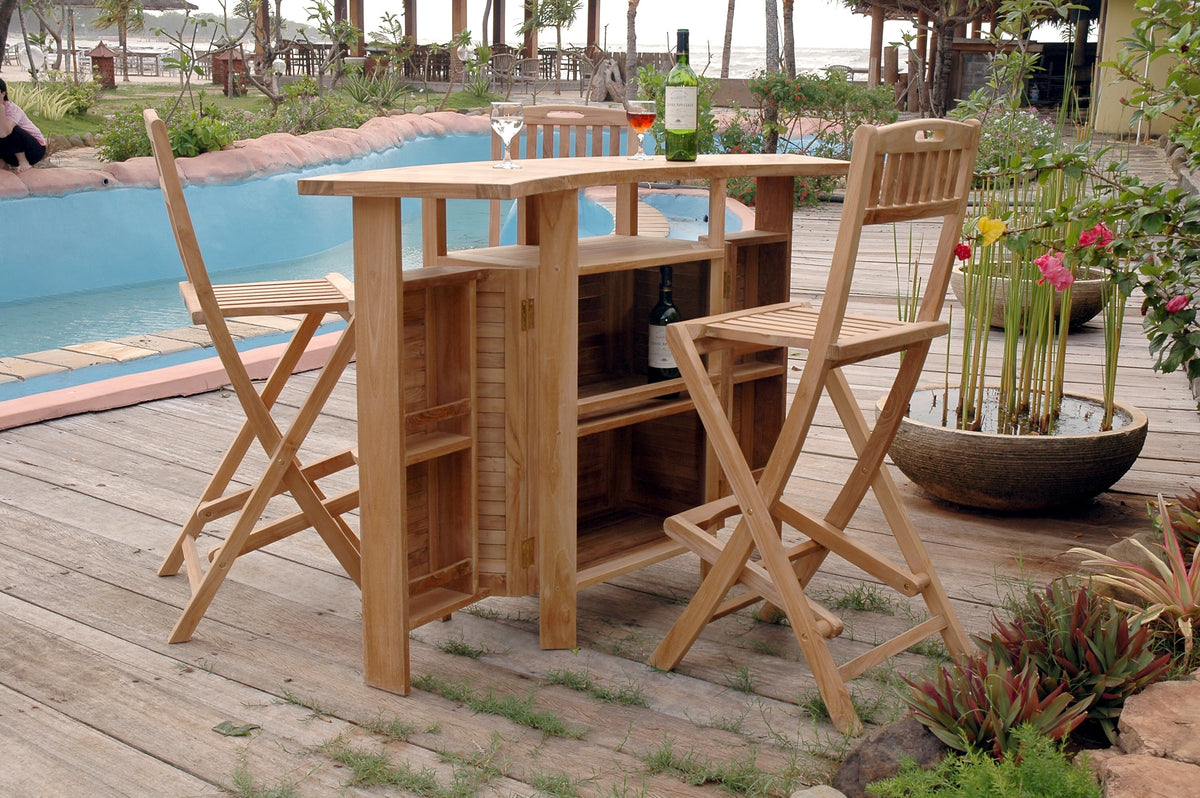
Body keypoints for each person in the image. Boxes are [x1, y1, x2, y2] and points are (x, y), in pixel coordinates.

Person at [0, 78, 47, 173]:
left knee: (11, 129)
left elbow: (4, 133)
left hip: (33, 150)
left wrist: (0, 109)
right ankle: (3, 166)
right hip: (10, 154)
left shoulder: (12, 109)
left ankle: (23, 161)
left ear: (3, 93)